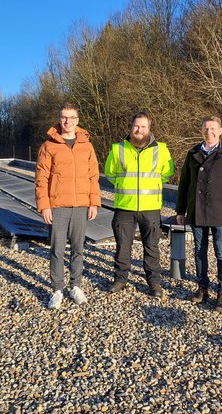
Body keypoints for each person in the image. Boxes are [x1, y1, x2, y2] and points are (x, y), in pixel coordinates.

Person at [176, 115, 222, 312]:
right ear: (201, 130)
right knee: (199, 251)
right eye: (206, 128)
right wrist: (181, 209)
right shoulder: (193, 153)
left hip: (220, 213)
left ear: (221, 130)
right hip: (197, 210)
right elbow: (184, 184)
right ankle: (202, 287)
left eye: (213, 128)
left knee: (221, 252)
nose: (209, 132)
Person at [35, 103, 101, 309]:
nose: (67, 121)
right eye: (64, 117)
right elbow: (41, 178)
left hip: (81, 206)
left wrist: (94, 202)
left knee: (78, 248)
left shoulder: (86, 145)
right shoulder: (48, 146)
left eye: (71, 117)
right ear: (59, 119)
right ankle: (57, 289)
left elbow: (93, 176)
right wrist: (44, 206)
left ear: (77, 120)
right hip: (58, 207)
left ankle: (76, 286)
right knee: (57, 249)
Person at [104, 111, 174, 297]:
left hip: (150, 208)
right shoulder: (118, 148)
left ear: (149, 129)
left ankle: (154, 283)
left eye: (143, 126)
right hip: (124, 207)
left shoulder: (162, 150)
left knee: (151, 246)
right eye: (136, 126)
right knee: (122, 246)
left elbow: (168, 173)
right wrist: (124, 184)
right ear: (130, 127)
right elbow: (110, 173)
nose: (139, 130)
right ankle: (120, 280)